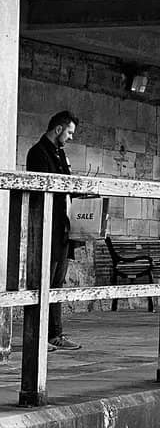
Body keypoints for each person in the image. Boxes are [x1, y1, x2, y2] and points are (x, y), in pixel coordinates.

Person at [26, 110, 82, 351]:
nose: (70, 137)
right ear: (58, 129)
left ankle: (55, 334)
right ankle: (39, 335)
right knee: (43, 282)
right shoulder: (38, 153)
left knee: (57, 283)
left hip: (63, 227)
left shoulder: (60, 154)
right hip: (46, 226)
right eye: (69, 132)